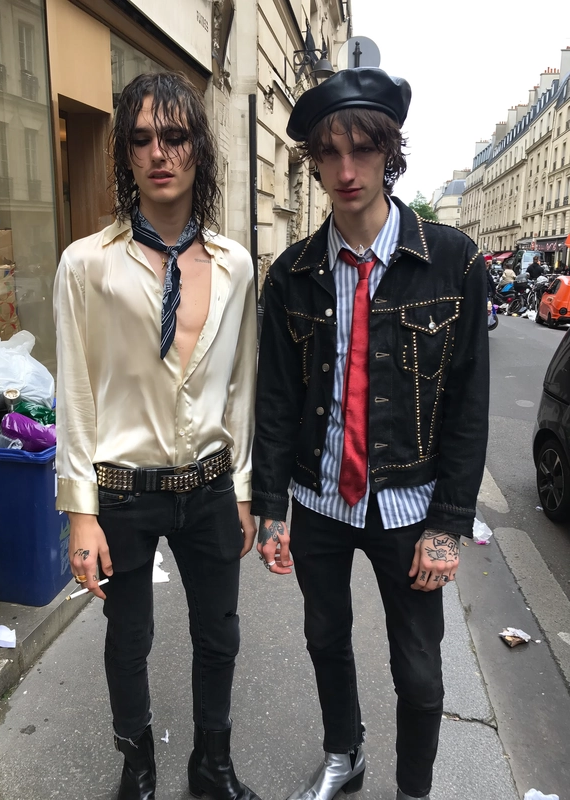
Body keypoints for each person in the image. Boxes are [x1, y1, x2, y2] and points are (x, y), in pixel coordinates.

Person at [252, 68, 489, 800]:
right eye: (329, 153)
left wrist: (448, 525)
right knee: (325, 640)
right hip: (319, 500)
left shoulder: (453, 259)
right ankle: (344, 755)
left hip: (409, 508)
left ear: (391, 152)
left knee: (419, 671)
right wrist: (270, 509)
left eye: (363, 150)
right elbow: (277, 398)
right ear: (314, 162)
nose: (346, 171)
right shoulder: (292, 274)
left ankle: (413, 789)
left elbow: (468, 404)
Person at [54, 72, 260, 800]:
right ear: (125, 154)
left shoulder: (237, 267)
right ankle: (137, 768)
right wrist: (80, 511)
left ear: (198, 148)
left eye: (173, 136)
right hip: (123, 491)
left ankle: (213, 764)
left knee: (220, 634)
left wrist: (242, 490)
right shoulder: (87, 265)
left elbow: (241, 388)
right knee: (128, 638)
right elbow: (74, 391)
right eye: (140, 139)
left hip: (207, 488)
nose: (158, 153)